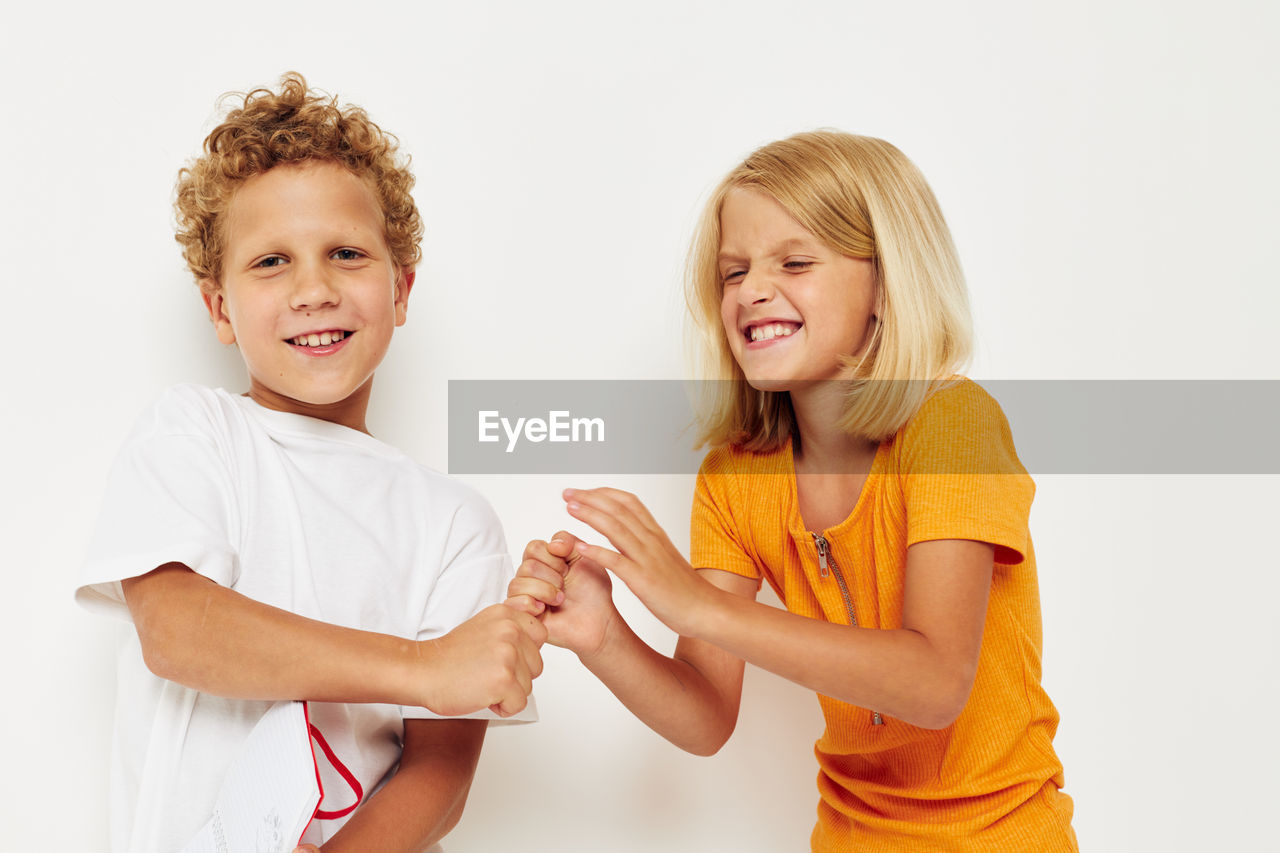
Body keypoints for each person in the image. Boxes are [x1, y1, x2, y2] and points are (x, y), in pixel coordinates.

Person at [508, 131, 1077, 851]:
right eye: (733, 271)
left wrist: (696, 603)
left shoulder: (953, 425)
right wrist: (604, 635)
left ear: (886, 284)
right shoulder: (738, 474)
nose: (752, 290)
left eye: (796, 262)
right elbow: (706, 714)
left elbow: (935, 683)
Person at [75, 73, 546, 853]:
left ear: (402, 288)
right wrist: (427, 668)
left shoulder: (454, 524)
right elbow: (179, 631)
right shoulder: (195, 433)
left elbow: (440, 775)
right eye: (270, 263)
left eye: (347, 253)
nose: (314, 289)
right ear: (219, 309)